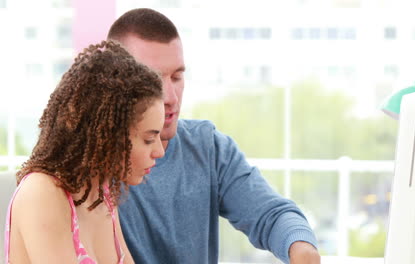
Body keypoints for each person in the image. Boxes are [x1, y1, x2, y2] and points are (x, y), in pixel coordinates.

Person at [108, 8, 321, 264]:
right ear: (114, 82)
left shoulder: (207, 147)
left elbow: (270, 214)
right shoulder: (88, 164)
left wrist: (303, 250)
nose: (170, 98)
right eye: (151, 79)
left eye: (177, 77)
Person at [3, 40, 165, 264]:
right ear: (108, 134)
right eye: (148, 139)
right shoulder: (42, 193)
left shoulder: (103, 196)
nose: (160, 151)